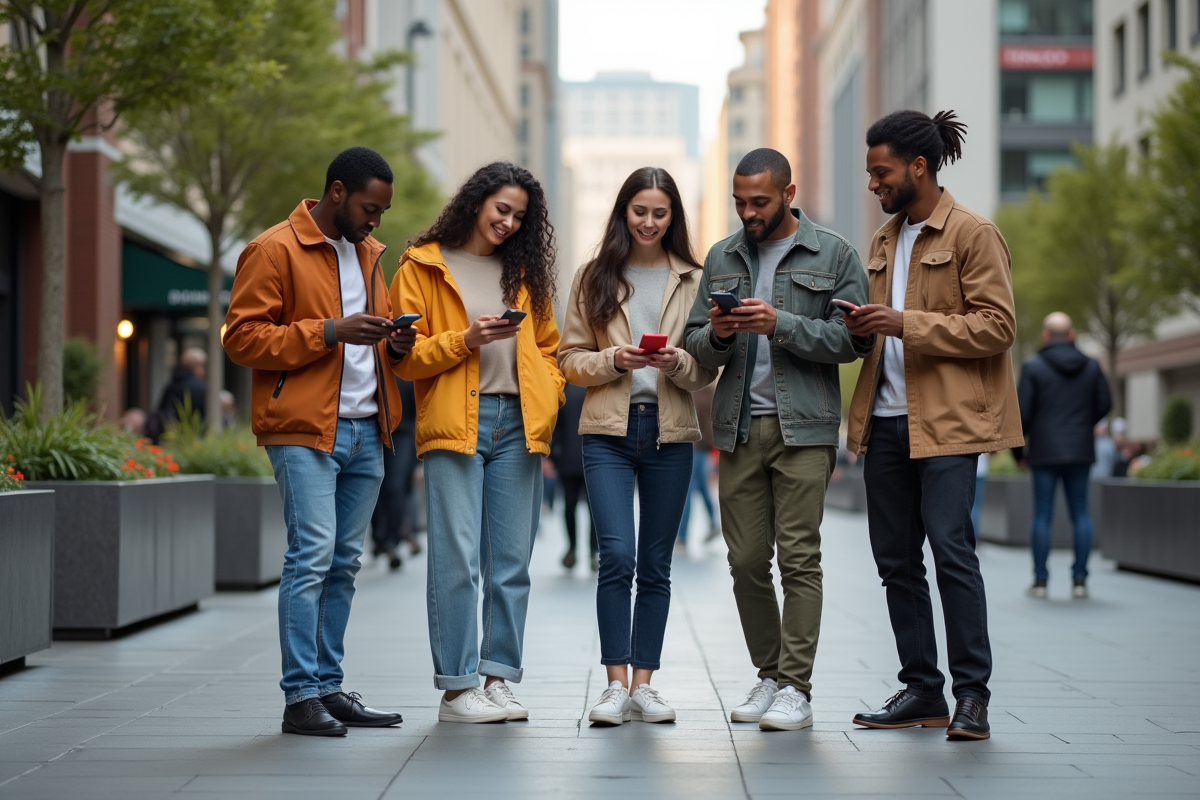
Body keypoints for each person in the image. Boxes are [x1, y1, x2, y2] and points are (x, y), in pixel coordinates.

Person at [844, 110, 1023, 741]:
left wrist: (903, 323)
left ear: (918, 166)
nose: (873, 183)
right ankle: (923, 688)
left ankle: (972, 696)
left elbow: (998, 327)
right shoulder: (884, 241)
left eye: (880, 171)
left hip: (949, 425)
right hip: (886, 419)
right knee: (895, 560)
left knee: (951, 553)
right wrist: (860, 326)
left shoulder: (973, 233)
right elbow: (885, 333)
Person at [224, 146, 414, 736]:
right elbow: (242, 339)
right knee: (310, 558)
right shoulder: (273, 248)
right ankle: (299, 696)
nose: (375, 220)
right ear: (336, 192)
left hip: (367, 427)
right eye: (368, 207)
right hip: (304, 429)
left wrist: (396, 343)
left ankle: (328, 688)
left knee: (344, 564)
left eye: (382, 210)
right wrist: (330, 331)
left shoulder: (369, 256)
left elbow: (372, 341)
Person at [684, 148, 871, 732]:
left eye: (759, 201)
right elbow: (694, 346)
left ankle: (797, 687)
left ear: (789, 194)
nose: (748, 212)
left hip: (805, 429)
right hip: (737, 427)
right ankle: (769, 675)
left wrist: (781, 325)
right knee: (743, 561)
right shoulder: (722, 256)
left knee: (799, 558)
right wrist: (715, 334)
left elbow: (855, 340)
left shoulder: (834, 253)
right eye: (739, 201)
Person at [392, 162, 564, 724]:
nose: (510, 223)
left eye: (520, 216)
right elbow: (403, 355)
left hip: (519, 423)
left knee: (512, 561)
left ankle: (499, 679)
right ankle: (457, 687)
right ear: (475, 202)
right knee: (457, 558)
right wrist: (465, 340)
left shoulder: (523, 272)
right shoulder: (422, 266)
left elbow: (549, 349)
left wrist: (550, 394)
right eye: (502, 210)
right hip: (453, 421)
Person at [560, 166, 716, 727]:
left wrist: (679, 362)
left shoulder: (695, 280)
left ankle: (644, 685)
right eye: (639, 210)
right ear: (623, 212)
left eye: (660, 212)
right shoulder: (593, 277)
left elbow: (707, 369)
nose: (649, 222)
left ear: (673, 217)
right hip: (607, 432)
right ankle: (613, 683)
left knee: (654, 563)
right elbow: (568, 360)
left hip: (670, 431)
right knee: (617, 557)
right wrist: (612, 360)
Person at [1014, 312, 1112, 599]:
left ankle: (1040, 581)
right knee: (1081, 512)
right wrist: (1083, 424)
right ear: (1072, 335)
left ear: (1046, 335)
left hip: (1044, 450)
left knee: (1042, 514)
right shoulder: (1092, 366)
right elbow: (1105, 403)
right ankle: (1080, 581)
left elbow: (1024, 413)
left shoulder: (1033, 366)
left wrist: (1019, 452)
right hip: (1080, 449)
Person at [370, 377, 419, 570]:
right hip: (378, 431)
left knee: (396, 488)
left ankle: (392, 541)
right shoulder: (379, 358)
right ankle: (380, 540)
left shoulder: (408, 367)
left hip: (404, 435)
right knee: (375, 487)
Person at [550, 383, 594, 571]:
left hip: (569, 458)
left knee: (571, 507)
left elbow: (556, 428)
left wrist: (552, 455)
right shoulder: (593, 387)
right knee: (593, 509)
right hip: (590, 457)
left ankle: (574, 549)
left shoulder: (565, 388)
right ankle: (591, 551)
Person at [677, 384, 719, 547]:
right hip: (697, 444)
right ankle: (713, 523)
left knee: (687, 489)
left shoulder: (700, 389)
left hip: (695, 444)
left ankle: (682, 535)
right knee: (700, 486)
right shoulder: (702, 387)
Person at [147, 347, 207, 441]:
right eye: (203, 365)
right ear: (197, 366)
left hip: (171, 439)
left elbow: (161, 411)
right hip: (194, 440)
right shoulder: (201, 388)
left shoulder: (171, 385)